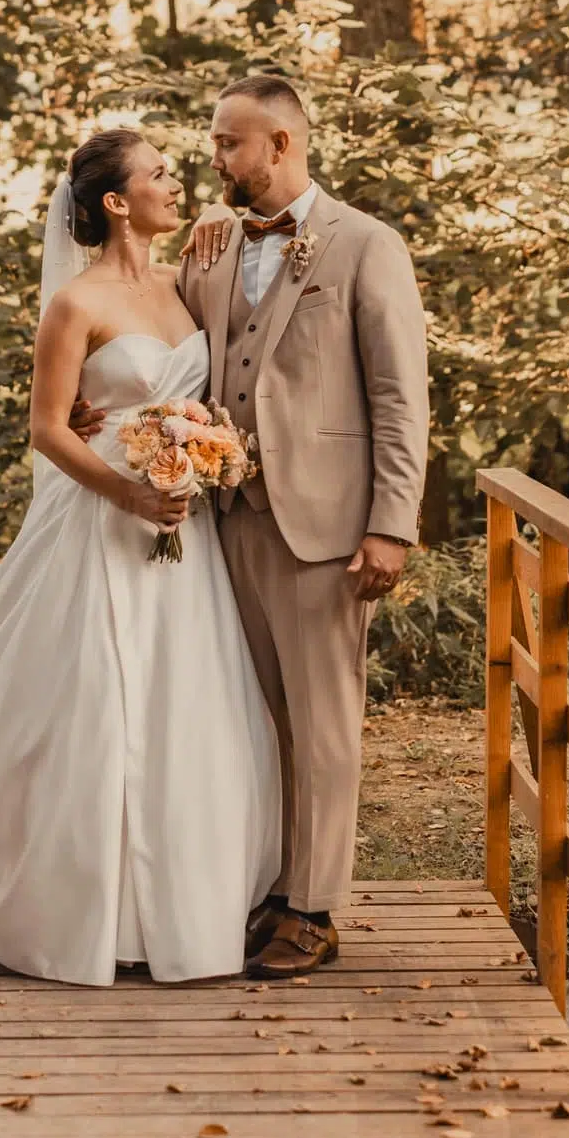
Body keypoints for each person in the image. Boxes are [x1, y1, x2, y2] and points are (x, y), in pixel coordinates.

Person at [0, 129, 282, 984]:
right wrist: (130, 493)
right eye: (159, 174)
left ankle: (182, 908)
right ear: (114, 202)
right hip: (104, 521)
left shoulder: (186, 285)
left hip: (184, 529)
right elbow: (48, 428)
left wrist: (202, 451)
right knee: (93, 705)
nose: (176, 183)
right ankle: (71, 906)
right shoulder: (75, 305)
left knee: (187, 708)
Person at [77, 74, 432, 978]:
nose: (213, 160)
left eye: (228, 144)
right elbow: (150, 342)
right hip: (220, 523)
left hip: (324, 526)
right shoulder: (211, 248)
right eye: (211, 144)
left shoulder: (368, 245)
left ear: (280, 143)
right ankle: (271, 885)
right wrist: (97, 412)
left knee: (323, 722)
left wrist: (392, 523)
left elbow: (400, 397)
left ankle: (312, 908)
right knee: (255, 719)